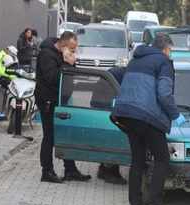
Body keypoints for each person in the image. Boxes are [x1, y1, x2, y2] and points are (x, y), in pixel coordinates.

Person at [110, 34, 185, 205]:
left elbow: (115, 74)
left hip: (127, 114)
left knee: (137, 160)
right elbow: (164, 94)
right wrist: (176, 115)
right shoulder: (163, 62)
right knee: (162, 158)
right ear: (167, 49)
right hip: (147, 116)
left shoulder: (136, 60)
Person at [35, 31, 91, 183]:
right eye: (72, 48)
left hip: (60, 99)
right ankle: (47, 172)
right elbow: (52, 77)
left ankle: (70, 170)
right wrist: (66, 64)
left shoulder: (62, 54)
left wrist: (70, 62)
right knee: (50, 136)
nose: (74, 51)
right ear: (63, 45)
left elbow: (70, 72)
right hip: (48, 100)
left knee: (65, 133)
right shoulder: (47, 55)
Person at [91, 66, 128, 185]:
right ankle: (112, 173)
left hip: (99, 104)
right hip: (105, 106)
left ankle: (103, 170)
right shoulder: (122, 77)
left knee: (106, 138)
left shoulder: (117, 72)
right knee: (113, 139)